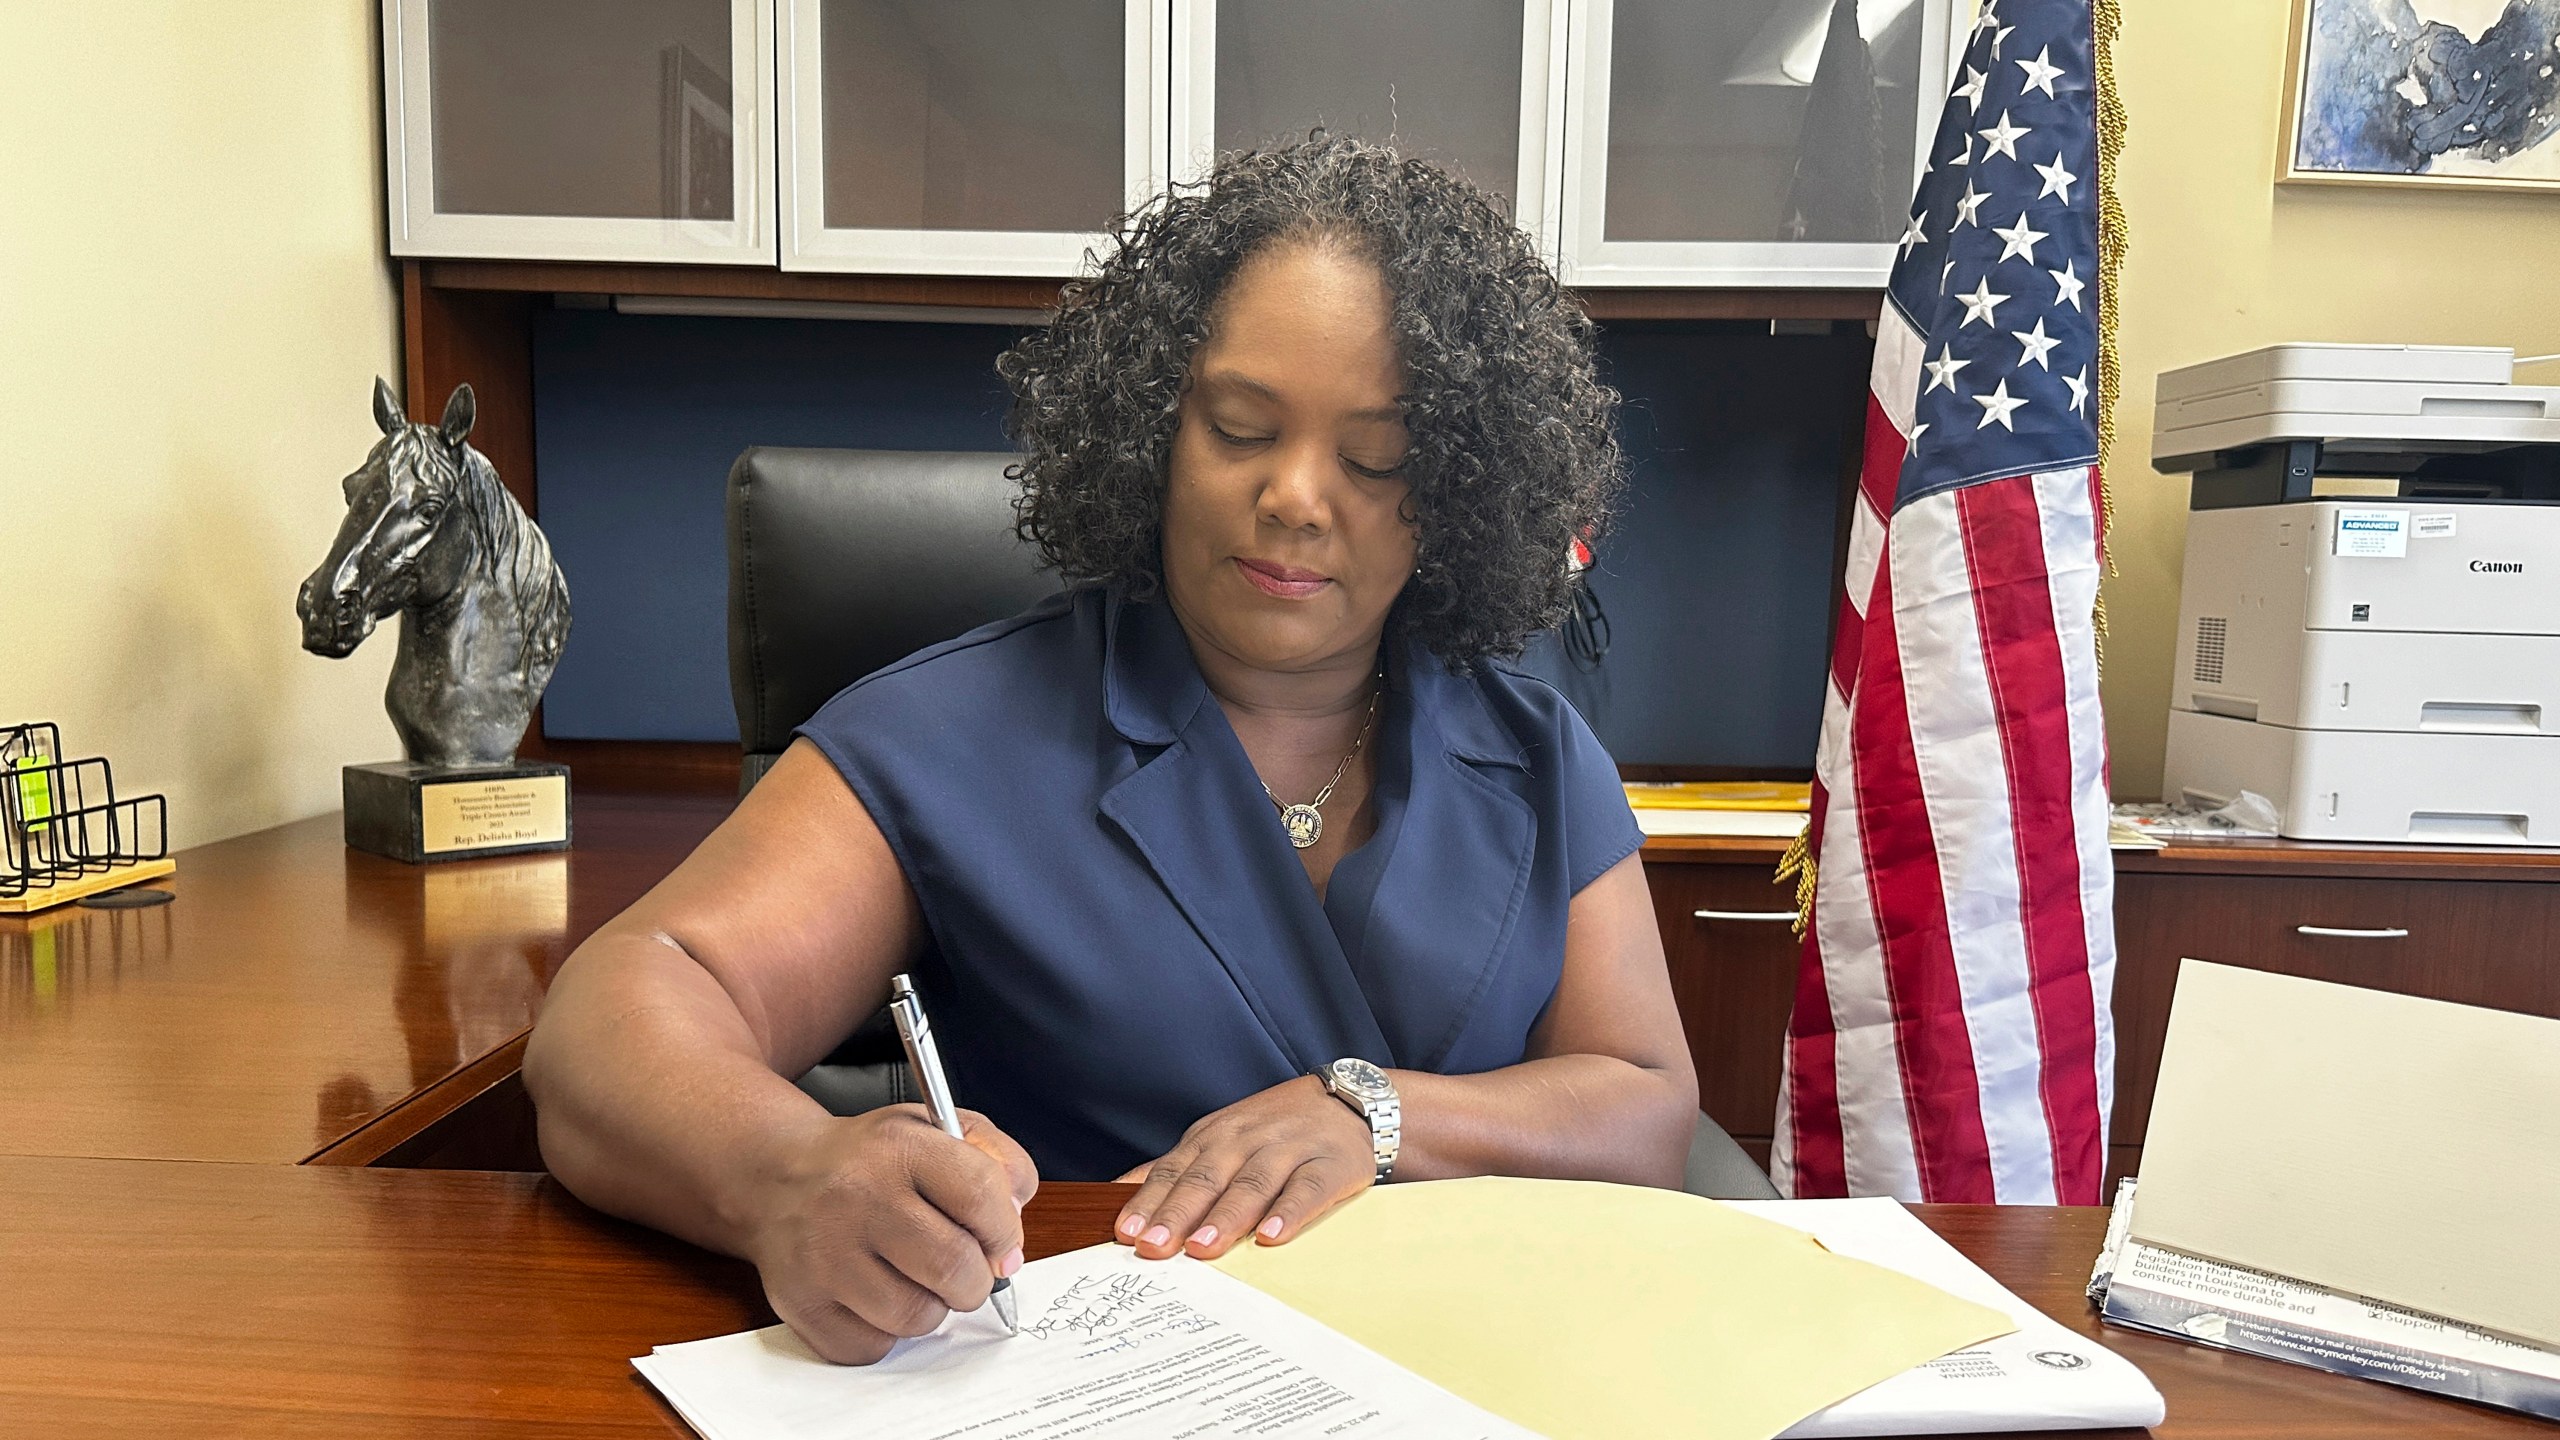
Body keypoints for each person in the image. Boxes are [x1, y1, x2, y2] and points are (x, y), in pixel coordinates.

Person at [524, 134, 1698, 1366]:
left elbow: (1645, 1108)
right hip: (1100, 1382)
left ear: (1457, 489)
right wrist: (784, 1173)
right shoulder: (950, 733)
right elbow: (615, 1016)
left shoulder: (1535, 752)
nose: (1298, 496)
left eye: (1376, 457)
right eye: (1241, 428)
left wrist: (1379, 1115)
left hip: (1481, 1374)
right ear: (1153, 434)